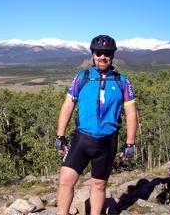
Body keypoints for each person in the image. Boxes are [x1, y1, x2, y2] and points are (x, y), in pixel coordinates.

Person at [55, 35, 137, 215]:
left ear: (112, 56)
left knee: (99, 184)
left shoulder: (122, 81)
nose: (103, 57)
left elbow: (131, 113)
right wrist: (60, 136)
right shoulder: (82, 78)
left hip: (107, 141)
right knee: (66, 179)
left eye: (107, 53)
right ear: (93, 54)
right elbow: (68, 105)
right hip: (82, 139)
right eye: (99, 52)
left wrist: (130, 143)